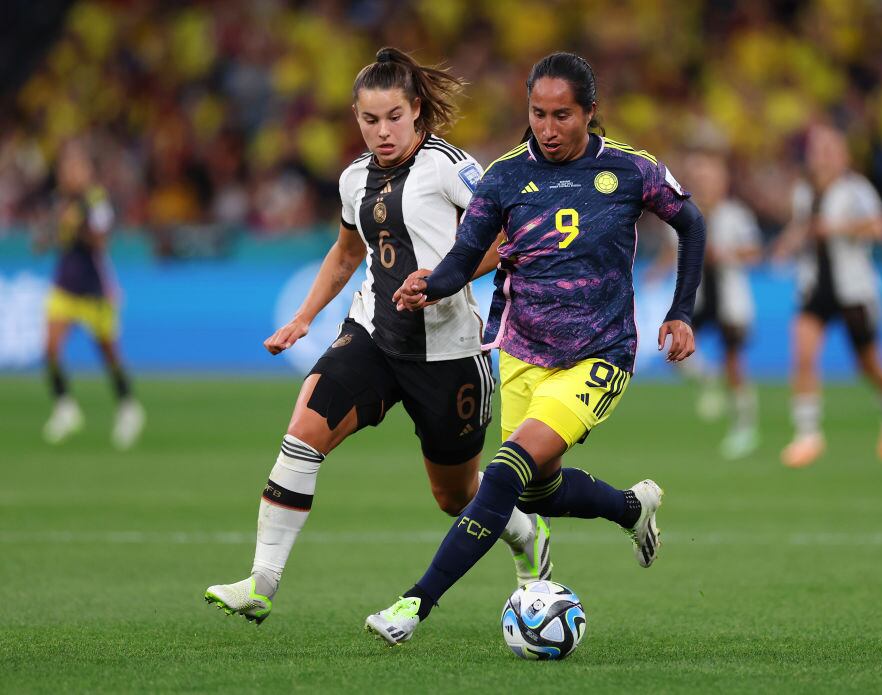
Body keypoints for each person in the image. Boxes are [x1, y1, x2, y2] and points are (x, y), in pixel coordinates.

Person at [365, 52, 705, 645]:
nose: (547, 129)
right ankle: (631, 509)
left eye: (562, 116)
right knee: (536, 488)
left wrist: (680, 312)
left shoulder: (629, 171)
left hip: (599, 354)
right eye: (538, 114)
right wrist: (431, 285)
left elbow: (692, 223)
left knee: (501, 475)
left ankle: (414, 605)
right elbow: (466, 256)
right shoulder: (504, 177)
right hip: (521, 352)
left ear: (590, 113)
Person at [204, 48, 550, 625]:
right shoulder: (353, 179)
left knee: (456, 497)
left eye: (393, 117)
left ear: (417, 111)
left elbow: (506, 236)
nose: (382, 131)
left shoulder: (450, 167)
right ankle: (261, 582)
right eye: (370, 120)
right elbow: (346, 253)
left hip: (447, 352)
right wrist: (305, 317)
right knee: (304, 430)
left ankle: (525, 533)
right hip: (372, 333)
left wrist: (445, 280)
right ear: (356, 118)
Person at [773, 123, 882, 468]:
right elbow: (802, 226)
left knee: (868, 364)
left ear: (843, 156)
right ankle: (808, 435)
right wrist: (785, 245)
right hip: (816, 285)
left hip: (853, 289)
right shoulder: (804, 191)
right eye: (817, 150)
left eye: (829, 149)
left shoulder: (856, 190)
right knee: (803, 353)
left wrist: (838, 229)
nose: (821, 157)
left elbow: (880, 227)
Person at [39, 140, 144, 449]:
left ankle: (128, 406)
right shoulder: (60, 200)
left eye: (76, 167)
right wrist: (49, 234)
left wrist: (77, 224)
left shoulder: (95, 201)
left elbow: (100, 241)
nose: (69, 173)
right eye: (66, 168)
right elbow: (51, 238)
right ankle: (65, 408)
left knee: (108, 352)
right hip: (65, 284)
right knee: (50, 348)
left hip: (94, 288)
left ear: (86, 172)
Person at [683, 150, 762, 460]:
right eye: (699, 180)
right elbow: (673, 248)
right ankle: (708, 380)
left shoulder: (736, 214)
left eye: (709, 179)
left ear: (722, 182)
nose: (704, 185)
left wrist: (724, 254)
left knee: (734, 363)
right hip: (699, 296)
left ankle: (745, 426)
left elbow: (754, 254)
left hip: (730, 298)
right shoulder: (685, 213)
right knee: (677, 353)